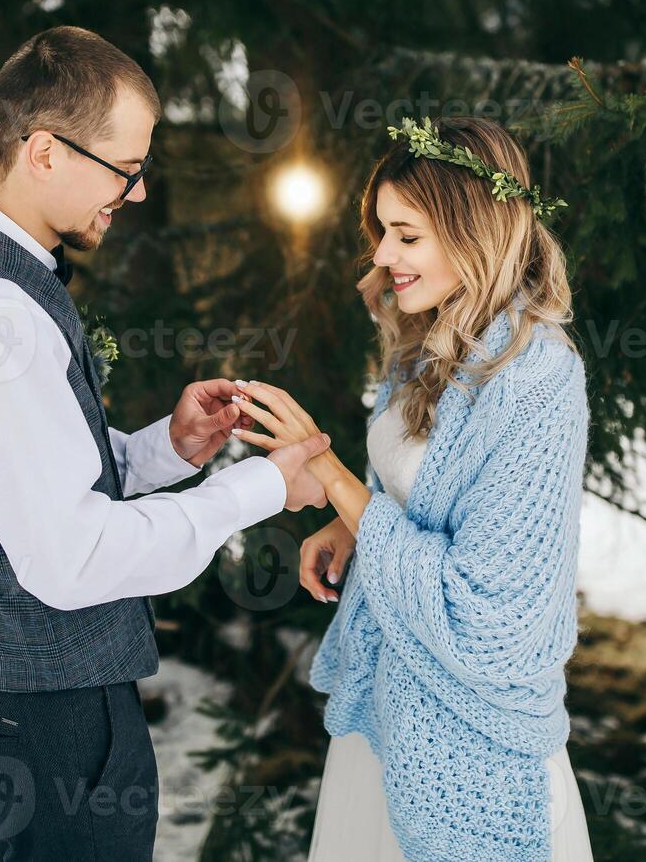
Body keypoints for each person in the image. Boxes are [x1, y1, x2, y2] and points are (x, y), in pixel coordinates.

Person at [0, 25, 329, 860]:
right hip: (53, 719)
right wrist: (263, 488)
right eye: (126, 170)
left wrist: (170, 448)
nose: (139, 193)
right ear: (45, 151)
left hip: (41, 700)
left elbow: (33, 483)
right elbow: (73, 556)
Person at [229, 117, 596, 861]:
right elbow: (410, 486)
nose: (383, 256)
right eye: (382, 233)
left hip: (468, 737)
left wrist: (328, 476)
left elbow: (488, 618)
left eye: (406, 235)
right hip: (386, 701)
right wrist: (352, 521)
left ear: (474, 234)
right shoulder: (424, 342)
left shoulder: (537, 381)